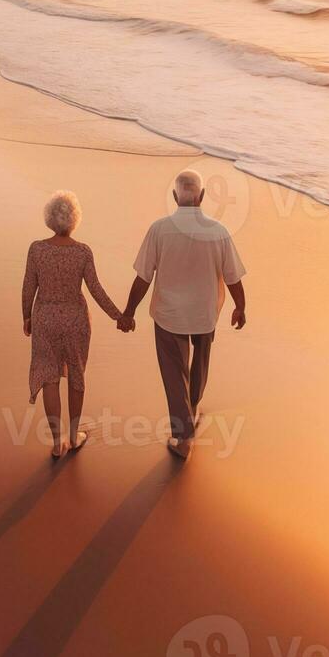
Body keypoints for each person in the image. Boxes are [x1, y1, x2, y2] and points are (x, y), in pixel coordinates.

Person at [117, 170, 247, 460]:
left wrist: (128, 312)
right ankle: (193, 407)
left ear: (175, 197)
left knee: (175, 373)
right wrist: (240, 306)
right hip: (204, 312)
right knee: (200, 363)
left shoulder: (159, 229)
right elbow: (233, 276)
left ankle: (183, 436)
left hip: (169, 314)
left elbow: (143, 277)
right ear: (201, 196)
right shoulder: (219, 231)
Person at [23, 190, 121, 459]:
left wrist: (27, 317)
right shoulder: (82, 252)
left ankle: (57, 443)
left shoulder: (37, 249)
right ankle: (74, 436)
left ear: (49, 218)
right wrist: (119, 316)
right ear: (74, 220)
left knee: (49, 376)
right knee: (76, 374)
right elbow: (95, 289)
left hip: (45, 318)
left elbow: (28, 287)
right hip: (76, 320)